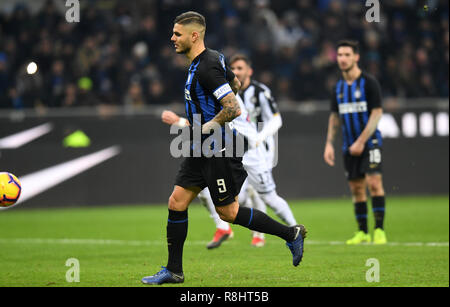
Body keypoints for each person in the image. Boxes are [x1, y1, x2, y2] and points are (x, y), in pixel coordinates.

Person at [141, 11, 306, 285]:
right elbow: (236, 84)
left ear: (194, 36)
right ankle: (173, 270)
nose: (172, 38)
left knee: (228, 213)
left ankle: (291, 234)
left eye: (177, 34)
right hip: (199, 148)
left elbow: (233, 106)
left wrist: (209, 126)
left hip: (217, 149)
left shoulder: (206, 66)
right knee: (177, 202)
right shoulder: (211, 58)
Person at [323, 40, 387, 245]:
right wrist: (329, 144)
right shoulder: (338, 88)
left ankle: (379, 230)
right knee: (357, 189)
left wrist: (361, 141)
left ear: (356, 57)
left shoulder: (369, 82)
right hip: (348, 146)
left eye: (347, 55)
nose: (342, 59)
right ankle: (362, 232)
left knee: (374, 184)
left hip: (370, 143)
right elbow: (334, 116)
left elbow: (377, 113)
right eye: (340, 55)